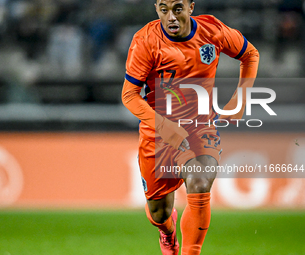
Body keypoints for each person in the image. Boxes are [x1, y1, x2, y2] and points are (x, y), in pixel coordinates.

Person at [121, 0, 259, 254]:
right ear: (156, 9)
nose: (171, 16)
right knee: (158, 213)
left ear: (190, 7)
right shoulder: (145, 40)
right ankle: (167, 233)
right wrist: (163, 126)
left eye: (177, 8)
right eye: (164, 9)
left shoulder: (212, 31)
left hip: (199, 126)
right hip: (158, 132)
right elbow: (129, 95)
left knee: (199, 180)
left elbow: (250, 54)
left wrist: (241, 98)